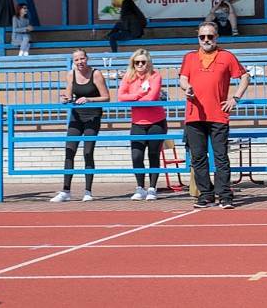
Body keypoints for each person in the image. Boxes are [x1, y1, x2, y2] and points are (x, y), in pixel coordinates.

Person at [179, 22, 250, 209]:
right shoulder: (190, 57)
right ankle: (206, 194)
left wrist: (235, 98)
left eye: (210, 36)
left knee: (220, 156)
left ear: (216, 37)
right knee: (198, 157)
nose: (206, 40)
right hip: (195, 115)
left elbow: (244, 76)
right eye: (202, 37)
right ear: (198, 38)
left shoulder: (226, 56)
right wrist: (187, 88)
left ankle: (225, 194)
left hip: (218, 114)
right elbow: (183, 79)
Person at [50, 49, 110, 202]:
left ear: (87, 59)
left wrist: (89, 100)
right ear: (73, 62)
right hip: (76, 117)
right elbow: (69, 96)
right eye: (76, 60)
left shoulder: (96, 74)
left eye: (82, 59)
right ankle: (66, 191)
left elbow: (106, 97)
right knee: (70, 151)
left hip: (93, 116)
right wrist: (65, 99)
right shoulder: (71, 74)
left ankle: (88, 191)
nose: (80, 62)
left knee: (88, 152)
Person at [118, 49, 167, 200]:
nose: (140, 65)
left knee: (153, 155)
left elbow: (152, 98)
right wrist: (139, 94)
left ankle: (152, 188)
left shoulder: (155, 76)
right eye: (136, 62)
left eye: (143, 62)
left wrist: (133, 98)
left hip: (156, 122)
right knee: (137, 156)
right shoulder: (128, 77)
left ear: (148, 63)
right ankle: (140, 187)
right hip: (137, 123)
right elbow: (121, 97)